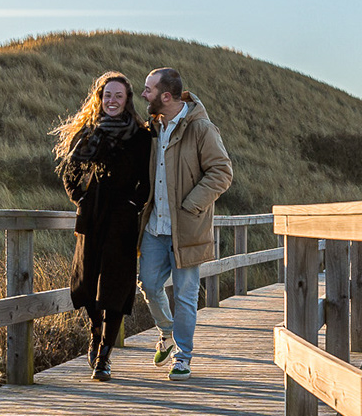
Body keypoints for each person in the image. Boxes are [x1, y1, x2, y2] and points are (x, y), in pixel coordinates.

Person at [53, 71, 152, 382]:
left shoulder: (140, 135)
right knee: (86, 282)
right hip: (92, 215)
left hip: (122, 218)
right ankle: (95, 335)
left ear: (127, 100)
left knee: (115, 284)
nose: (111, 101)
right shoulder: (88, 132)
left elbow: (146, 181)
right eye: (107, 95)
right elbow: (70, 172)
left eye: (117, 96)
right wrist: (80, 197)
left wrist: (134, 204)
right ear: (100, 98)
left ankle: (105, 355)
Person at [138, 67, 233, 380]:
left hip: (188, 228)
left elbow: (221, 172)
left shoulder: (202, 129)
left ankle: (183, 357)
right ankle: (166, 332)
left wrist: (191, 205)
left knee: (185, 295)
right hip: (154, 228)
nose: (143, 94)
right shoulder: (152, 127)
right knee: (149, 285)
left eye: (148, 89)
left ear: (166, 96)